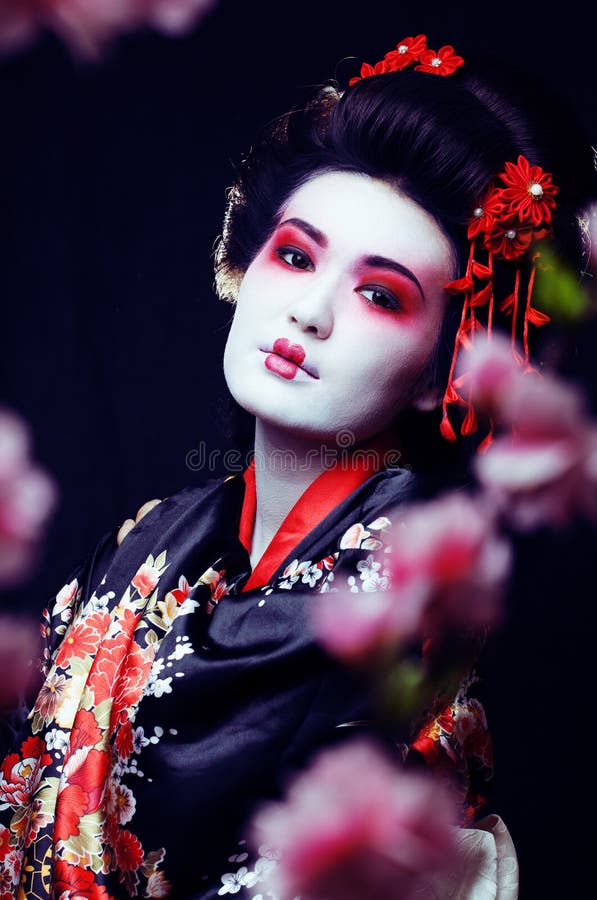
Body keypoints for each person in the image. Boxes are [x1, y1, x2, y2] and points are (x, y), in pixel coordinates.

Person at [0, 33, 593, 900]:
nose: (310, 310)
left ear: (441, 371)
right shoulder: (152, 541)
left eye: (379, 294)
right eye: (294, 254)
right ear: (245, 264)